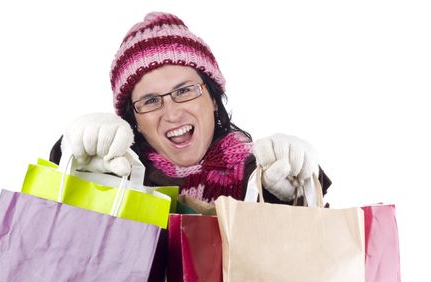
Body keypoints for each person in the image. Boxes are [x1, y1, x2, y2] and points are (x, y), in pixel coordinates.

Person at [50, 11, 331, 205]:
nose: (171, 113)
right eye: (150, 101)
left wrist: (284, 195)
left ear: (212, 97)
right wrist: (76, 157)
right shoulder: (119, 173)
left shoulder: (258, 172)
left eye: (184, 91)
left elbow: (298, 261)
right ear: (132, 119)